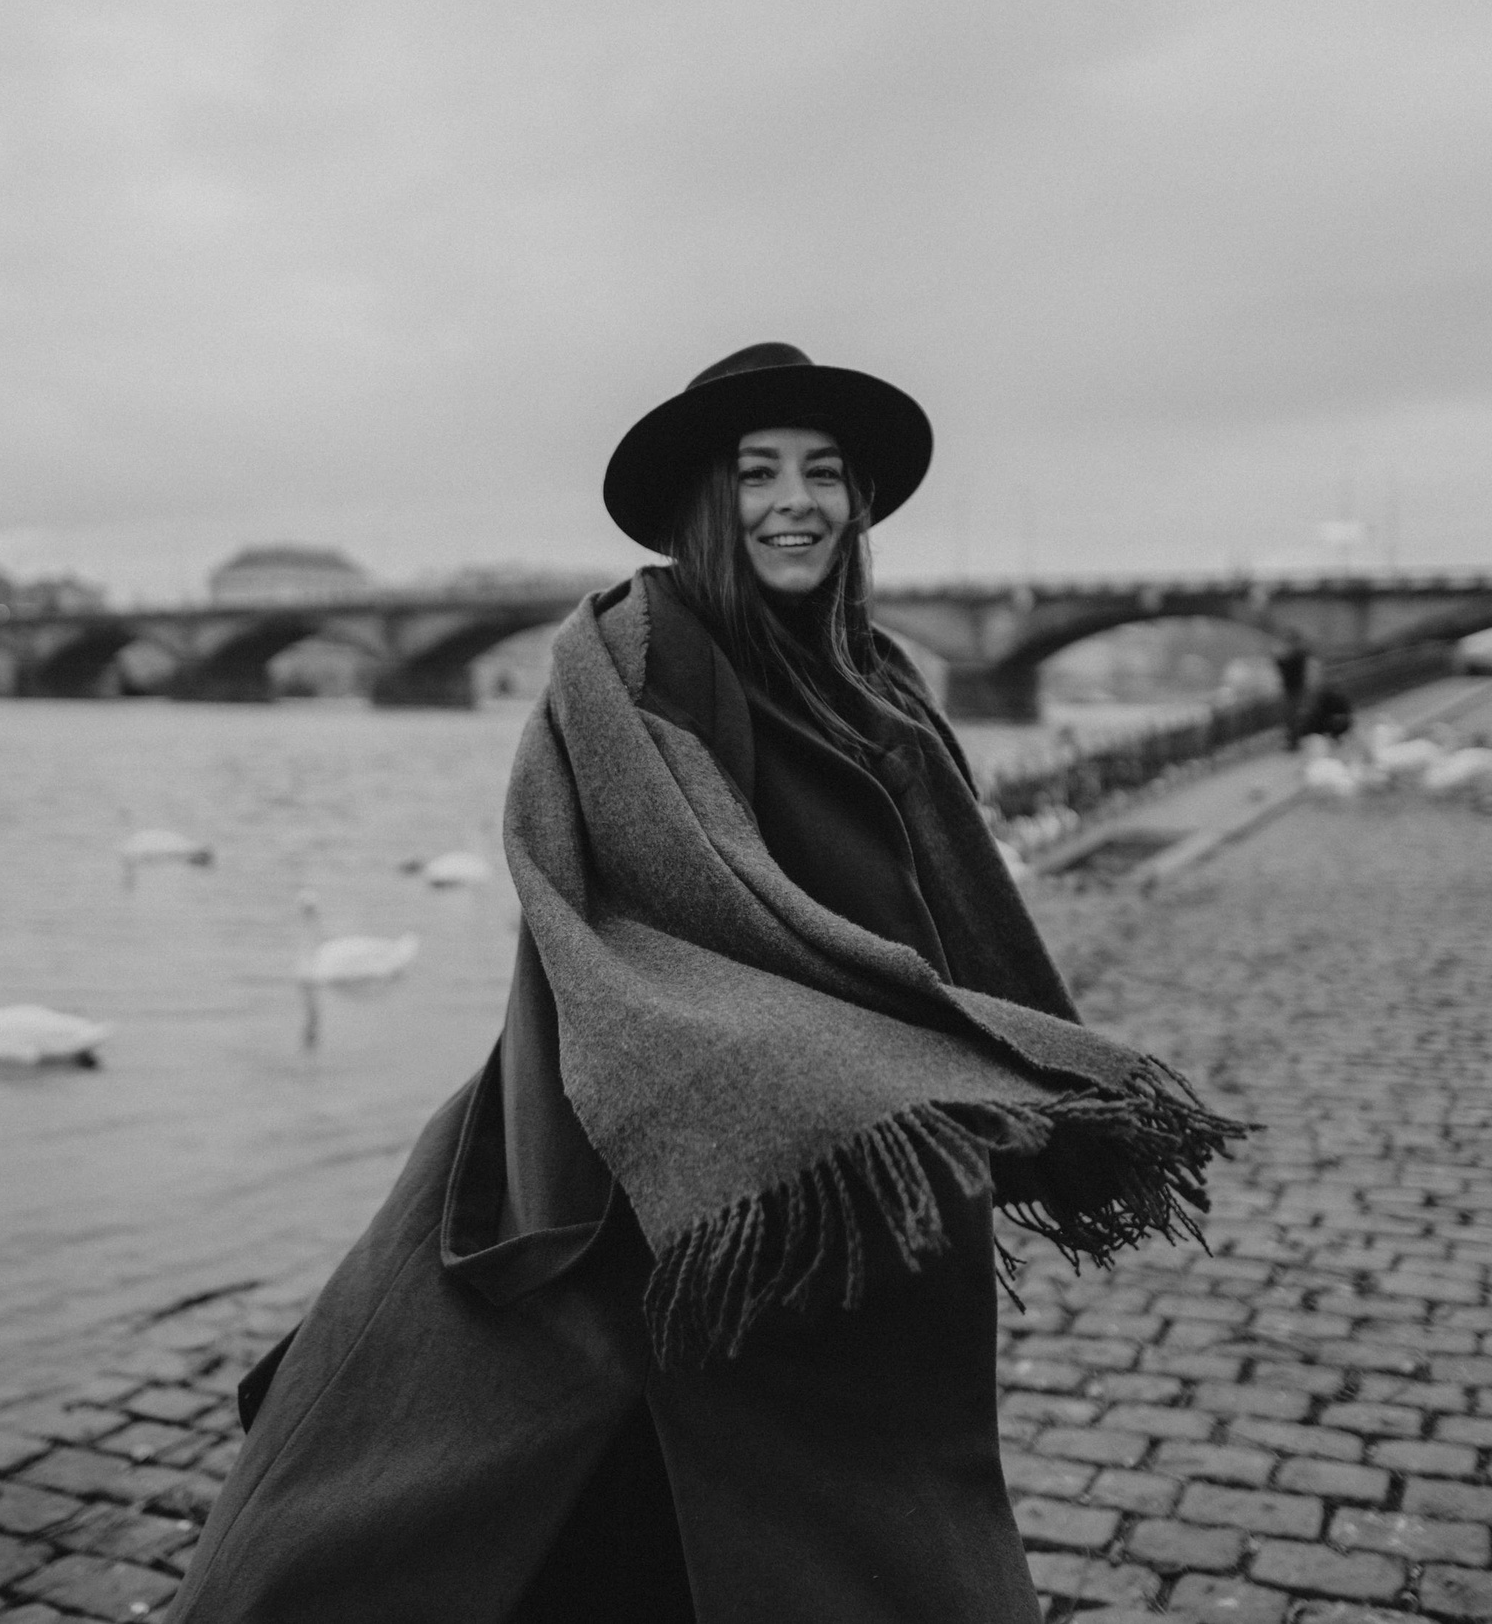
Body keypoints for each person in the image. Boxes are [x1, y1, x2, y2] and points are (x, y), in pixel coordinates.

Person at [161, 342, 1237, 1624]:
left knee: (826, 1497)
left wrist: (946, 1064)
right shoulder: (639, 652)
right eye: (757, 472)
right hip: (665, 1136)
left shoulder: (874, 678)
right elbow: (662, 901)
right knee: (557, 1490)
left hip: (853, 1137)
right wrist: (873, 1066)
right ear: (703, 499)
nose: (795, 502)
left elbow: (936, 909)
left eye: (822, 473)